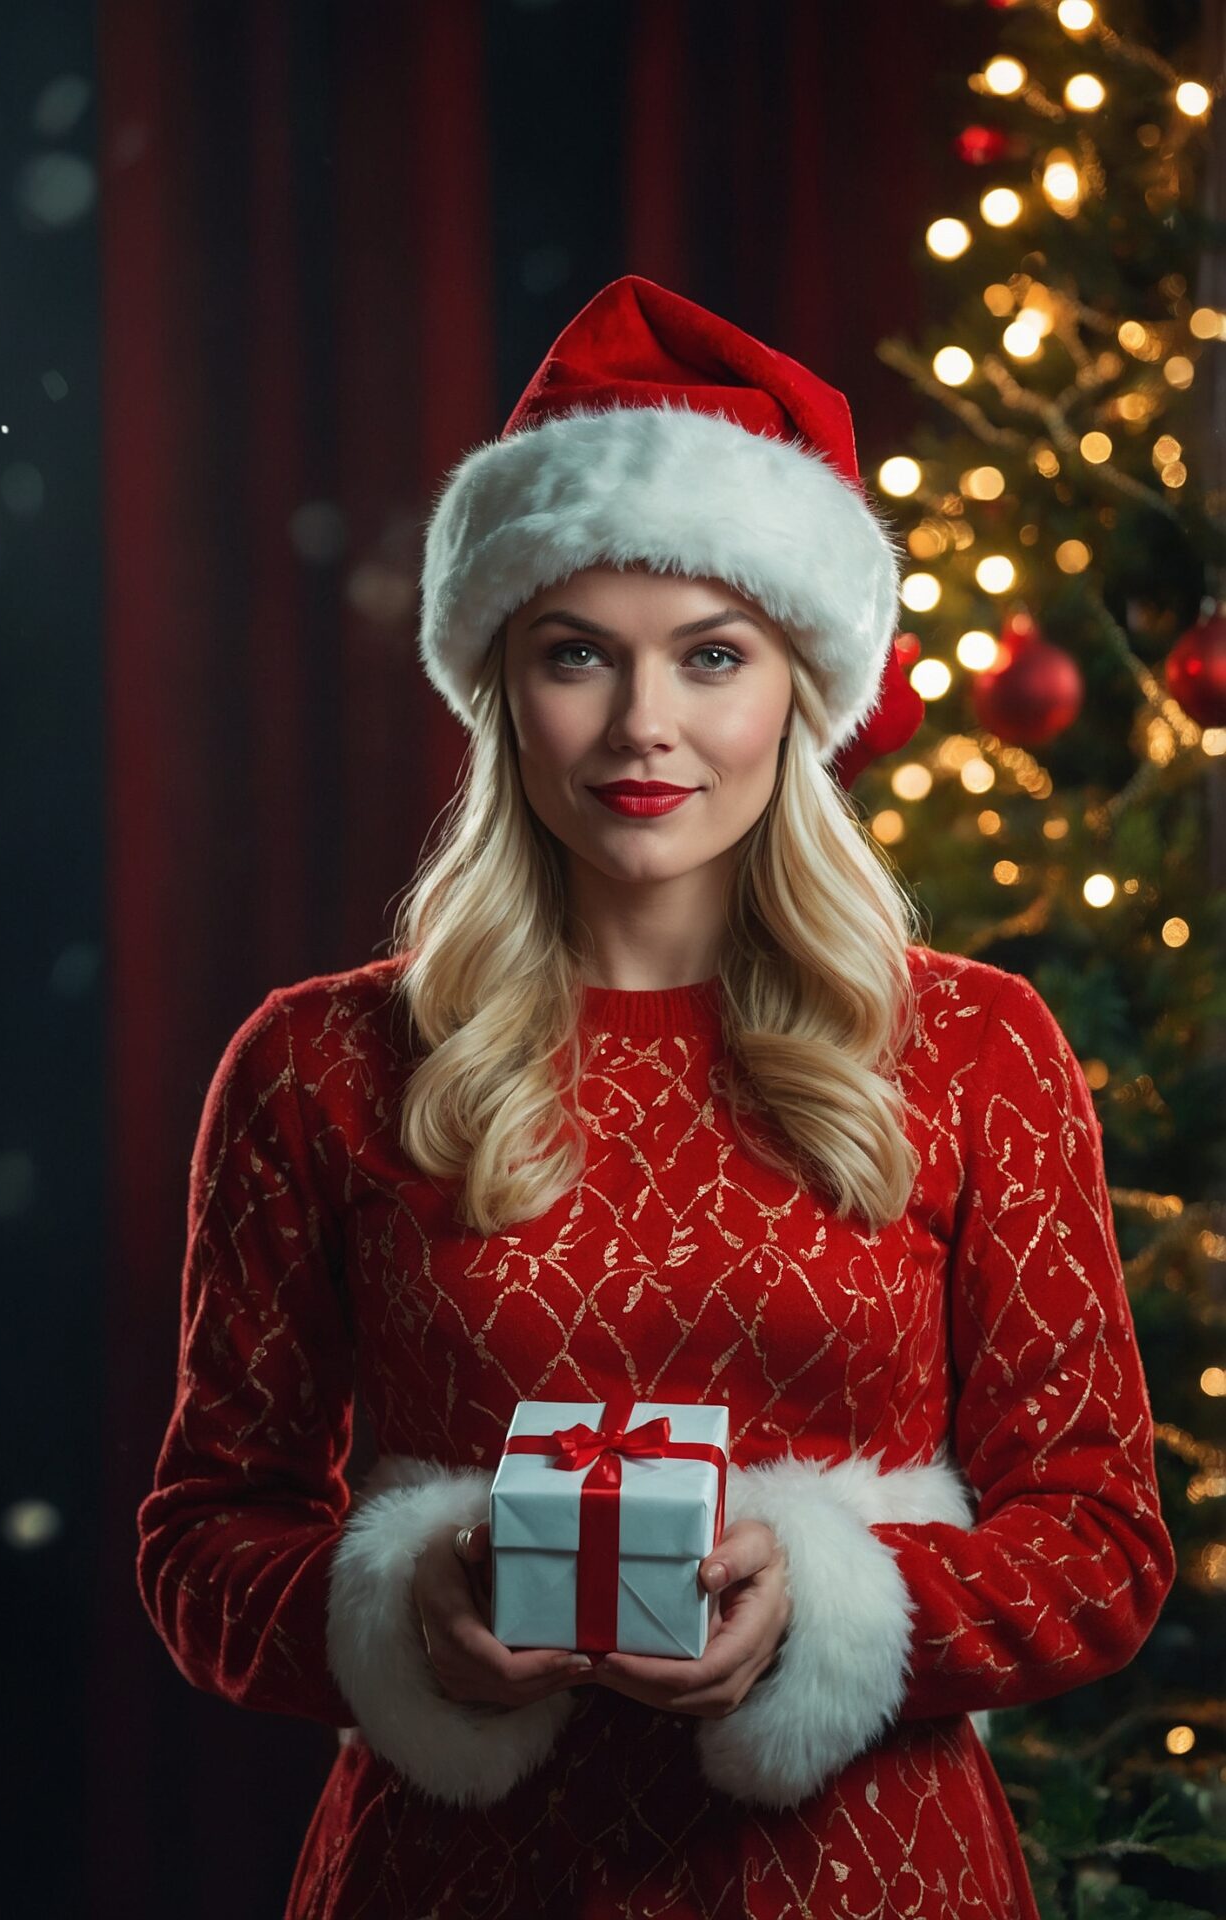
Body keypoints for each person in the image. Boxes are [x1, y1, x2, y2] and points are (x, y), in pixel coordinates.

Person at [136, 275, 1175, 1919]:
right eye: (575, 656)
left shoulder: (976, 1049)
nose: (644, 726)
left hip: (867, 1880)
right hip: (452, 1881)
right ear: (499, 687)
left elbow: (1104, 1543)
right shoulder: (320, 1062)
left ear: (796, 689)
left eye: (710, 655)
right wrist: (407, 1612)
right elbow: (203, 1542)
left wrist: (837, 1603)